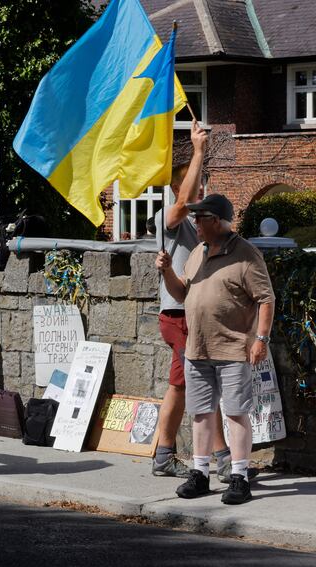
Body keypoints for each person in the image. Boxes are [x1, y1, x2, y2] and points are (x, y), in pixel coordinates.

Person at [156, 193, 274, 505]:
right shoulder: (197, 252)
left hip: (233, 348)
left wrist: (261, 340)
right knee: (201, 414)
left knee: (235, 413)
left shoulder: (246, 255)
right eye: (194, 217)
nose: (194, 222)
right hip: (197, 348)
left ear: (218, 221)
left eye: (200, 217)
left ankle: (239, 476)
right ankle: (200, 473)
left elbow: (266, 298)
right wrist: (167, 270)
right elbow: (181, 293)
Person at [151, 120, 232, 480]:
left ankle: (163, 455)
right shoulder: (168, 218)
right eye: (197, 184)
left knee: (181, 386)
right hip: (178, 314)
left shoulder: (201, 225)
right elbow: (183, 202)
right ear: (177, 187)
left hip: (190, 316)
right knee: (202, 384)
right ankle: (225, 459)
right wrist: (197, 149)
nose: (202, 190)